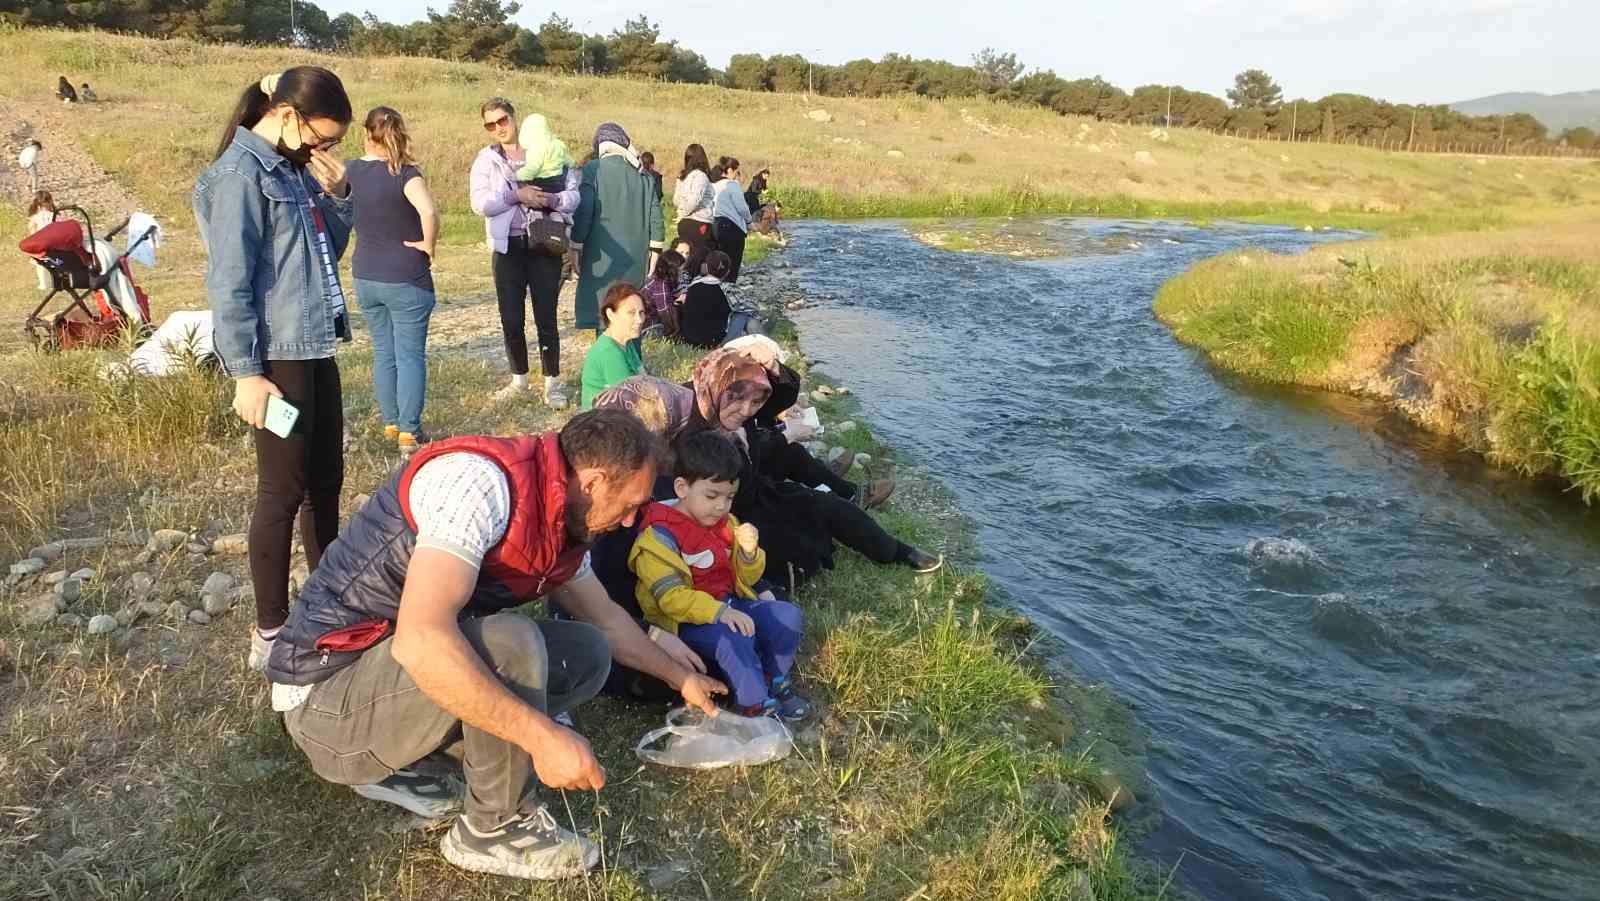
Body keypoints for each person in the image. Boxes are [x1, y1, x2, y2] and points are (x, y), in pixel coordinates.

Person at [264, 410, 727, 881]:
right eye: (630, 505)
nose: (631, 522)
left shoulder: (560, 510)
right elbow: (421, 642)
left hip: (380, 681)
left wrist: (680, 677)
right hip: (325, 701)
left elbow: (606, 619)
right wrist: (542, 738)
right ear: (593, 482)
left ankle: (414, 763)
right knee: (510, 643)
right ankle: (493, 829)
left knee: (586, 651)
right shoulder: (479, 488)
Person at [193, 66, 355, 671]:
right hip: (276, 356)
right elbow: (228, 282)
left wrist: (339, 196)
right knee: (282, 490)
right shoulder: (239, 176)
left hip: (315, 344)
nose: (324, 151)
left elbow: (324, 255)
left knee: (325, 483)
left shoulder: (293, 171)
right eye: (323, 138)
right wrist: (245, 372)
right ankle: (269, 630)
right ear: (287, 115)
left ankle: (329, 605)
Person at [679, 349, 941, 588]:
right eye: (738, 399)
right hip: (723, 512)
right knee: (799, 560)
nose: (746, 410)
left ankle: (895, 550)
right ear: (720, 386)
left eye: (754, 403)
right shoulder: (689, 417)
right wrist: (784, 437)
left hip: (754, 491)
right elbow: (721, 474)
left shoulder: (731, 407)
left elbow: (781, 397)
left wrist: (774, 368)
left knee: (827, 505)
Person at [628, 431, 812, 720]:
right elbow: (670, 600)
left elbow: (745, 578)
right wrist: (719, 613)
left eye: (729, 497)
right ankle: (753, 703)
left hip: (728, 603)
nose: (721, 506)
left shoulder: (726, 523)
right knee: (732, 638)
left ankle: (774, 678)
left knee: (786, 616)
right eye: (712, 496)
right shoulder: (657, 537)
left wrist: (749, 555)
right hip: (685, 622)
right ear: (681, 487)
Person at [472, 99, 579, 410]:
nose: (498, 129)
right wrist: (515, 195)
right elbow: (480, 203)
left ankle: (552, 383)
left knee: (546, 316)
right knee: (511, 318)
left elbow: (574, 196)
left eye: (502, 120)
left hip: (544, 244)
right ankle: (519, 379)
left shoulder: (547, 149)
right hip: (508, 247)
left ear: (514, 118)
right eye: (490, 125)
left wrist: (551, 199)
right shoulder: (486, 160)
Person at [346, 106, 439, 453]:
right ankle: (409, 432)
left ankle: (390, 423)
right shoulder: (405, 173)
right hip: (405, 275)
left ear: (364, 134)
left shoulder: (351, 170)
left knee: (383, 351)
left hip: (366, 274)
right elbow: (428, 210)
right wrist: (428, 244)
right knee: (410, 355)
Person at [571, 123, 663, 333]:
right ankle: (634, 362)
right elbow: (656, 219)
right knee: (633, 314)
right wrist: (654, 253)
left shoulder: (593, 170)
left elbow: (584, 211)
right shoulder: (644, 176)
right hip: (637, 259)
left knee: (606, 314)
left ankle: (610, 363)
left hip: (602, 258)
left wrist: (575, 246)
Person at [579, 283, 647, 409]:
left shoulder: (626, 341)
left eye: (641, 312)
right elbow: (631, 401)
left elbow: (643, 377)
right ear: (610, 314)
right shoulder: (609, 352)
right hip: (603, 422)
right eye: (631, 313)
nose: (639, 320)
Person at [679, 250, 747, 348]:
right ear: (727, 271)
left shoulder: (694, 284)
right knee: (743, 315)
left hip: (690, 339)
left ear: (705, 267)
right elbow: (745, 308)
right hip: (713, 340)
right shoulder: (728, 289)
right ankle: (726, 344)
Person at [671, 143, 715, 278]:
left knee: (683, 259)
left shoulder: (683, 177)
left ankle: (679, 286)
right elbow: (694, 201)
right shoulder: (701, 176)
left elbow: (676, 200)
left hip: (684, 224)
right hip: (699, 223)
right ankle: (692, 290)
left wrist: (681, 213)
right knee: (697, 261)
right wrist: (684, 213)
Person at [711, 156, 754, 283]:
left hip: (714, 225)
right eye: (737, 172)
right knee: (732, 263)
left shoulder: (713, 185)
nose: (737, 175)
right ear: (730, 170)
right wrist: (749, 221)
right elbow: (742, 208)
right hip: (732, 228)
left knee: (718, 262)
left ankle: (716, 285)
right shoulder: (731, 185)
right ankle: (729, 288)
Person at [640, 249, 684, 338]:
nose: (682, 273)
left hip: (650, 317)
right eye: (680, 271)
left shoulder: (659, 280)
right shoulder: (661, 286)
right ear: (672, 271)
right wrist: (675, 331)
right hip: (647, 323)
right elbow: (665, 314)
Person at [27, 190, 56, 291]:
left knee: (40, 263)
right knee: (53, 263)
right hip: (57, 246)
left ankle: (44, 284)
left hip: (43, 247)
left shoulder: (35, 217)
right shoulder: (56, 215)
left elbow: (32, 234)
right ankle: (53, 281)